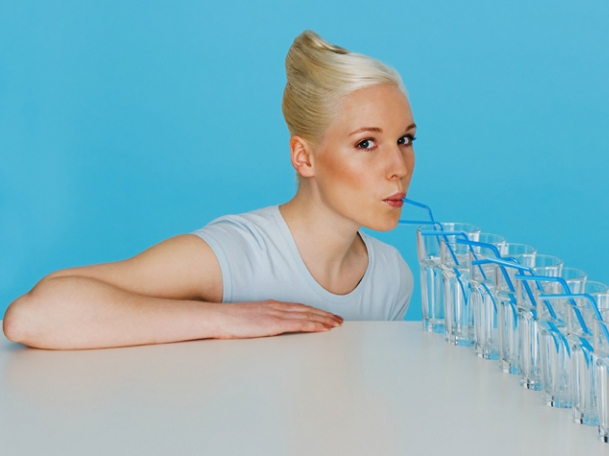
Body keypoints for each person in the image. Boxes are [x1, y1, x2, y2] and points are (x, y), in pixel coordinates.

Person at [3, 30, 416, 350]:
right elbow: (32, 316)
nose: (398, 167)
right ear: (304, 157)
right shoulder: (238, 256)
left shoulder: (391, 276)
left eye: (404, 140)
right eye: (366, 143)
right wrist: (228, 319)